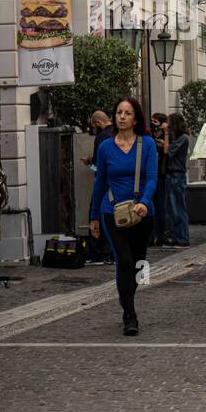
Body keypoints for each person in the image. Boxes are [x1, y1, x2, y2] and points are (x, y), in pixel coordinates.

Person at [89, 97, 158, 336]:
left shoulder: (147, 144)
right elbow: (99, 183)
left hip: (142, 212)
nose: (122, 117)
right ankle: (129, 314)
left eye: (127, 113)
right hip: (113, 212)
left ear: (136, 118)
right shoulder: (106, 147)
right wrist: (94, 215)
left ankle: (128, 295)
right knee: (124, 260)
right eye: (119, 112)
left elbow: (152, 178)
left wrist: (144, 203)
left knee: (140, 262)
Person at [82, 111, 113, 265]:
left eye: (94, 126)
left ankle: (97, 254)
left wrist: (88, 162)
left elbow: (97, 163)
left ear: (98, 123)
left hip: (103, 181)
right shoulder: (118, 132)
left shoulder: (101, 137)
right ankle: (112, 254)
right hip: (116, 183)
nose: (94, 129)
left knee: (95, 215)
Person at [165, 113, 192, 247]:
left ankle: (182, 238)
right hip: (172, 175)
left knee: (178, 208)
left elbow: (167, 151)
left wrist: (165, 135)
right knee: (172, 209)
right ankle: (176, 237)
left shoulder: (183, 138)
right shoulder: (178, 138)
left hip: (177, 175)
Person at [150, 112, 170, 246]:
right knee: (152, 205)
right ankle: (151, 236)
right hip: (152, 173)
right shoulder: (149, 136)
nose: (153, 124)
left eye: (155, 121)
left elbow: (168, 152)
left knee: (161, 206)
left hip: (162, 174)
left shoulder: (167, 136)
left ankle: (161, 235)